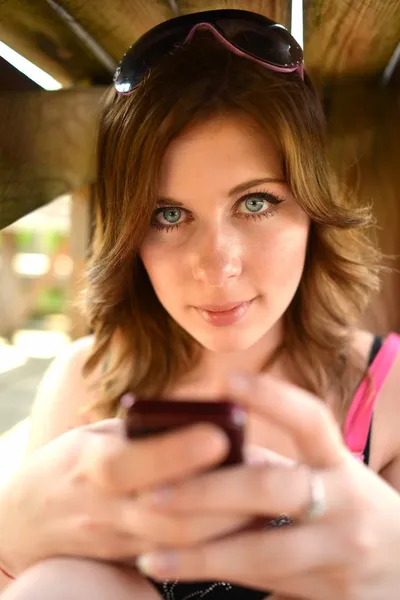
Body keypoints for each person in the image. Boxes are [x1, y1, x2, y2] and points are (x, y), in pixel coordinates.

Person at [1, 8, 400, 600]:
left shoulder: (387, 395)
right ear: (129, 235)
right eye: (168, 215)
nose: (218, 265)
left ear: (313, 208)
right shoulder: (88, 382)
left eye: (257, 203)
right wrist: (10, 542)